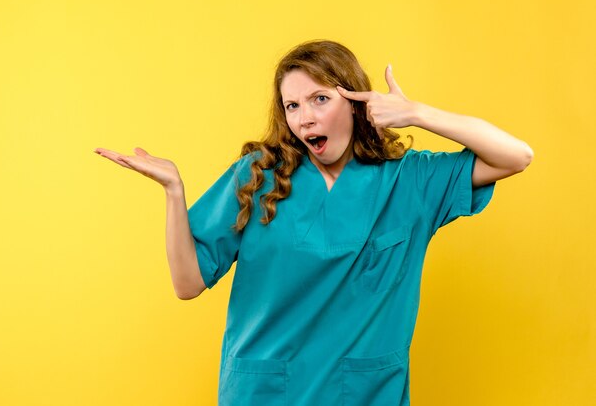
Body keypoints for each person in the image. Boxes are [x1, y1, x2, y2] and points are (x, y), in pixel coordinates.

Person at [94, 40, 533, 406]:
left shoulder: (410, 181)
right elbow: (187, 283)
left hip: (365, 394)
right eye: (292, 105)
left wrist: (417, 112)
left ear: (359, 102)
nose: (304, 117)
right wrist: (174, 191)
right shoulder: (258, 176)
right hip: (265, 393)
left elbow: (516, 156)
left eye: (320, 99)